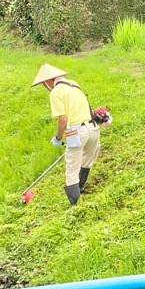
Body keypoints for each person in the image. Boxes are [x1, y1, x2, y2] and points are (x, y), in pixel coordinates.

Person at [31, 63, 103, 206]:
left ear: (48, 81)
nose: (45, 87)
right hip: (93, 128)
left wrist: (58, 137)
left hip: (77, 132)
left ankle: (74, 205)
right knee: (86, 161)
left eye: (44, 84)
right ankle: (80, 188)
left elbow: (63, 119)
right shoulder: (74, 84)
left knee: (72, 167)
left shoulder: (55, 92)